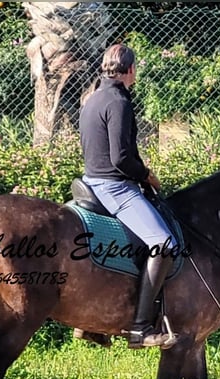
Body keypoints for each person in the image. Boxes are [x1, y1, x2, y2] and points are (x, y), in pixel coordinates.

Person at [78, 44, 178, 350]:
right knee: (164, 244)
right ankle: (140, 329)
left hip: (89, 182)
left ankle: (89, 324)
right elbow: (121, 159)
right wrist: (147, 175)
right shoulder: (119, 101)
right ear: (131, 70)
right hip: (114, 187)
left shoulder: (92, 98)